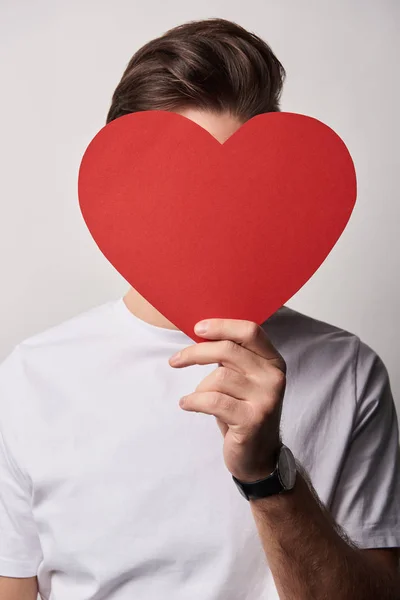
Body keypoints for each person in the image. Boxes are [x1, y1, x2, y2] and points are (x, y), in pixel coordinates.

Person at [0, 17, 399, 600]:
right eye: (175, 190)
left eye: (236, 193)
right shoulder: (32, 377)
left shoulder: (349, 371)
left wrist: (267, 474)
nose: (207, 221)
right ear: (121, 190)